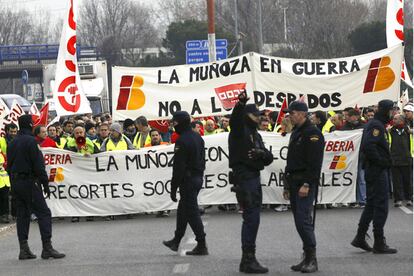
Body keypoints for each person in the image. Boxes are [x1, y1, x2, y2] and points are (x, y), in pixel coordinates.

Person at [7, 115, 65, 260]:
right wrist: (45, 184)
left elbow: (9, 166)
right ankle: (47, 248)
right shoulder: (32, 142)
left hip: (16, 182)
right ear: (31, 124)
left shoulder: (12, 142)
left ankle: (24, 249)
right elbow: (38, 165)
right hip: (29, 182)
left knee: (23, 214)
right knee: (44, 212)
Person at [228, 91, 273, 274]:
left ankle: (249, 258)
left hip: (254, 176)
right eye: (255, 115)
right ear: (247, 115)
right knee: (251, 218)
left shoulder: (255, 133)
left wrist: (262, 154)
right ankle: (248, 259)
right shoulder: (241, 131)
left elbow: (269, 157)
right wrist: (239, 105)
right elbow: (235, 122)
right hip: (245, 178)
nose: (258, 118)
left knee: (254, 218)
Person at [351, 99, 397, 254]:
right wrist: (382, 162)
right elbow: (368, 146)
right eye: (392, 110)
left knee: (371, 205)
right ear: (385, 110)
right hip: (376, 170)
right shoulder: (376, 125)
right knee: (381, 205)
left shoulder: (377, 124)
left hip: (374, 169)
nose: (394, 113)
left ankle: (360, 237)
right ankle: (379, 241)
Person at [283, 101, 324, 273]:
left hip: (304, 183)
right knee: (299, 221)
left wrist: (307, 183)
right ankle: (306, 257)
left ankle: (312, 259)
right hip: (293, 182)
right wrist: (286, 185)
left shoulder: (312, 133)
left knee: (303, 220)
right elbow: (291, 160)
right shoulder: (297, 132)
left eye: (291, 113)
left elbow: (315, 162)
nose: (289, 116)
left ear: (301, 113)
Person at [163, 111, 208, 256]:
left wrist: (173, 187)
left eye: (175, 123)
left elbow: (179, 168)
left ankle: (201, 244)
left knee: (192, 212)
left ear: (181, 123)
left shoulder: (182, 141)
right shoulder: (197, 137)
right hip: (197, 178)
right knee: (183, 211)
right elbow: (202, 160)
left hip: (188, 180)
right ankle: (176, 240)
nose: (174, 126)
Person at [388, 114, 413, 207]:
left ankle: (409, 198)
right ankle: (398, 199)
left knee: (407, 180)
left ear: (401, 120)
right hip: (394, 159)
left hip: (407, 158)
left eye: (395, 119)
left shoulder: (408, 130)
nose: (393, 120)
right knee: (396, 181)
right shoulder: (391, 130)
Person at [0, 152, 10, 223]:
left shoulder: (1, 154)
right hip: (3, 181)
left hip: (5, 182)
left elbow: (7, 163)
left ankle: (4, 215)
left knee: (5, 199)